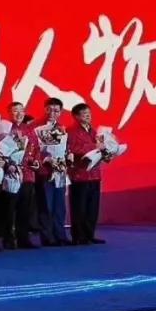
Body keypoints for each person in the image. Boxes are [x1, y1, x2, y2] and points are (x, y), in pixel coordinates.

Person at [67, 103, 109, 245]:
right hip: (80, 174)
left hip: (95, 174)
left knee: (92, 207)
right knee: (79, 207)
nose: (88, 116)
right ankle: (78, 236)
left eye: (89, 113)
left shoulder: (94, 131)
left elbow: (100, 149)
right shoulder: (70, 131)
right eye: (84, 114)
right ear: (76, 116)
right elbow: (73, 149)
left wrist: (107, 151)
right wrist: (94, 146)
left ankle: (89, 234)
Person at [35, 97, 70, 246]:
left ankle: (60, 235)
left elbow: (66, 147)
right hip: (45, 172)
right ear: (45, 109)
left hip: (60, 170)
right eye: (49, 110)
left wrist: (68, 155)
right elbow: (32, 149)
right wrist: (46, 158)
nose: (52, 113)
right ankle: (47, 237)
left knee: (60, 205)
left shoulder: (62, 128)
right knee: (46, 205)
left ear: (60, 112)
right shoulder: (36, 127)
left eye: (56, 110)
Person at [5, 101, 39, 249]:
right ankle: (8, 239)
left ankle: (23, 238)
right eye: (15, 111)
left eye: (21, 111)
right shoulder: (6, 129)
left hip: (27, 174)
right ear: (9, 113)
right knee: (9, 208)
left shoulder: (30, 130)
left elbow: (36, 149)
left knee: (25, 208)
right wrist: (9, 164)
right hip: (11, 174)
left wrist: (36, 161)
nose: (19, 114)